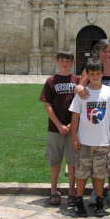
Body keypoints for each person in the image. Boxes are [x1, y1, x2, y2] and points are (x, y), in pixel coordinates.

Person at [75, 39, 110, 207]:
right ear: (98, 53)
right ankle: (95, 192)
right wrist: (77, 88)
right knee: (94, 157)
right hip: (95, 124)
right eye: (104, 51)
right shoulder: (90, 70)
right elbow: (80, 88)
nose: (107, 54)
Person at [69, 58, 110, 217]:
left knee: (100, 174)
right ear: (88, 74)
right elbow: (75, 117)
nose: (96, 76)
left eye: (98, 73)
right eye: (92, 73)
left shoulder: (109, 92)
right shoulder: (82, 92)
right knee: (81, 173)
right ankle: (79, 200)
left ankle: (99, 200)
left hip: (103, 140)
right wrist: (74, 138)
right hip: (84, 141)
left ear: (102, 73)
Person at [39, 51, 80, 207]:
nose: (64, 63)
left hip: (73, 128)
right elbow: (47, 105)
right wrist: (59, 125)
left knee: (72, 160)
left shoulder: (77, 80)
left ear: (71, 62)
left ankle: (71, 191)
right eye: (62, 60)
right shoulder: (51, 81)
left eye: (67, 60)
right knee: (55, 160)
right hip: (55, 128)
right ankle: (53, 190)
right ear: (56, 61)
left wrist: (70, 125)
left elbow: (81, 104)